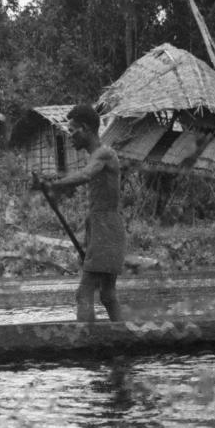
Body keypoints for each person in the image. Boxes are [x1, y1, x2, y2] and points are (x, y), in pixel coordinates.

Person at [43, 104, 126, 322]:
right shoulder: (95, 156)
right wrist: (50, 182)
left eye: (72, 131)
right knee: (107, 295)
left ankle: (87, 345)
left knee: (84, 293)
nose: (70, 137)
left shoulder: (104, 154)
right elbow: (76, 178)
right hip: (100, 226)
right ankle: (123, 338)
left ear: (86, 129)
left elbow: (85, 175)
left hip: (106, 228)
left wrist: (55, 185)